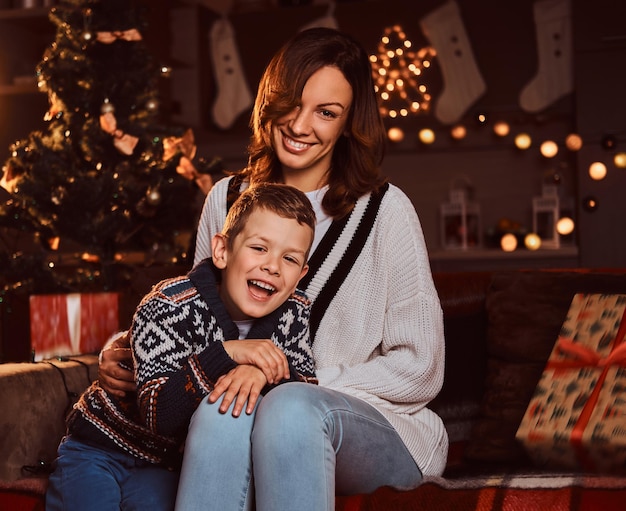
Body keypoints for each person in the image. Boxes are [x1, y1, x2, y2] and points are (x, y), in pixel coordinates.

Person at [99, 26, 447, 511]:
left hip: (378, 427)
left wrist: (282, 376)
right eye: (292, 103)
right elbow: (197, 310)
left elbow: (421, 368)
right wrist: (128, 348)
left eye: (326, 112)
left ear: (347, 124)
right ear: (270, 98)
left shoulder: (386, 210)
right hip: (251, 410)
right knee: (223, 407)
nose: (301, 126)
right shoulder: (225, 198)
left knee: (287, 407)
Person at [46, 182, 318, 511]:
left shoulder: (294, 312)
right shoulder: (169, 303)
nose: (272, 266)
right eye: (259, 248)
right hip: (100, 446)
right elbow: (157, 416)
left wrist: (262, 375)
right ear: (222, 251)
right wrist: (228, 353)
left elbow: (305, 388)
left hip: (164, 465)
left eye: (289, 258)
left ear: (301, 274)